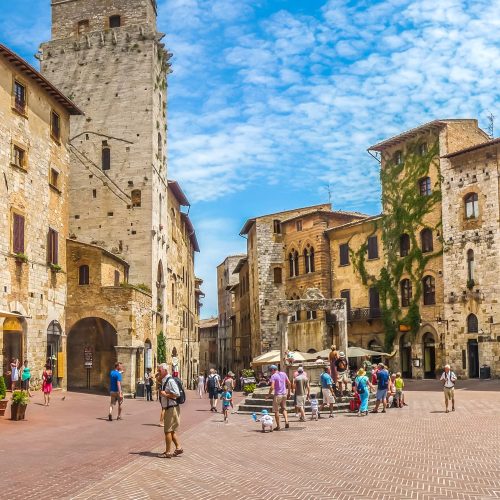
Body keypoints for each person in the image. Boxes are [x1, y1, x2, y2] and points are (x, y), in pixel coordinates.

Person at [158, 363, 183, 458]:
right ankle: (178, 447)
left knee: (167, 431)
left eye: (160, 370)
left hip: (171, 408)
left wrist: (165, 395)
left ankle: (168, 452)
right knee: (171, 431)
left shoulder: (170, 381)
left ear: (165, 371)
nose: (158, 372)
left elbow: (177, 394)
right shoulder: (165, 380)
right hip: (169, 407)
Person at [267, 365, 291, 431]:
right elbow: (289, 383)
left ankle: (278, 426)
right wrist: (289, 392)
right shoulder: (284, 374)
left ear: (273, 370)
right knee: (284, 408)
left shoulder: (273, 376)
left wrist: (268, 395)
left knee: (276, 411)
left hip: (277, 395)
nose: (270, 372)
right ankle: (286, 421)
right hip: (284, 394)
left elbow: (272, 387)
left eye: (270, 371)